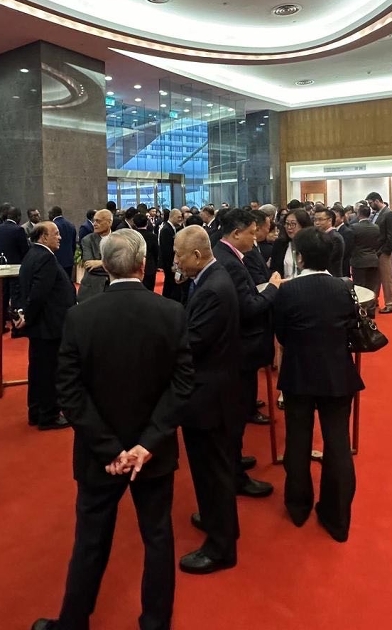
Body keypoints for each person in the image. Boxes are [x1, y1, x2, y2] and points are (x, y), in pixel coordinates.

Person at [32, 230, 193, 630]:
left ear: (103, 267)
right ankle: (155, 622)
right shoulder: (171, 312)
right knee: (158, 537)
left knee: (90, 540)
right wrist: (147, 444)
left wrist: (108, 449)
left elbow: (68, 391)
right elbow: (183, 385)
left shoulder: (80, 316)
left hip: (97, 454)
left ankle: (73, 622)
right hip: (153, 452)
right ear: (143, 265)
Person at [273, 227, 364, 542]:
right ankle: (337, 516)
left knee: (297, 441)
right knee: (338, 443)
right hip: (337, 373)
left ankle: (298, 506)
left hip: (298, 373)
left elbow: (281, 334)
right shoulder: (345, 288)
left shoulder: (287, 291)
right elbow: (351, 328)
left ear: (299, 257)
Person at [174, 226, 243, 575]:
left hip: (209, 395)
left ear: (197, 256)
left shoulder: (213, 289)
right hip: (213, 389)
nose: (176, 261)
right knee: (209, 469)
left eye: (179, 255)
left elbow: (193, 342)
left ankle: (221, 547)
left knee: (212, 470)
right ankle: (219, 521)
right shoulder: (209, 279)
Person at [213, 209, 279, 494]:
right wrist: (272, 289)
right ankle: (235, 475)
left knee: (236, 414)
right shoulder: (230, 262)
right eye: (251, 233)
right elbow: (248, 307)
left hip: (236, 347)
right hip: (238, 348)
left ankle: (236, 461)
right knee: (235, 417)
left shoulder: (226, 254)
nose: (255, 238)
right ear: (236, 233)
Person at [16, 221, 75, 430]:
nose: (60, 237)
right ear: (43, 237)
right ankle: (49, 415)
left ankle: (36, 411)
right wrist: (28, 316)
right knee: (49, 372)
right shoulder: (45, 258)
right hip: (49, 326)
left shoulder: (32, 255)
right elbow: (38, 294)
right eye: (56, 234)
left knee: (38, 370)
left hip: (42, 325)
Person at [365, 192, 392, 313]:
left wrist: (386, 251)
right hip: (375, 250)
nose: (370, 206)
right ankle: (374, 300)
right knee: (375, 278)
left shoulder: (388, 214)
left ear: (377, 201)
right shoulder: (376, 214)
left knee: (387, 278)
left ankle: (390, 304)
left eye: (370, 203)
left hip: (384, 251)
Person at [77, 209, 113, 303]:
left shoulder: (118, 239)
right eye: (94, 221)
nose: (94, 224)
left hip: (113, 289)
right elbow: (89, 266)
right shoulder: (87, 240)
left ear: (109, 222)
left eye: (98, 221)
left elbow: (123, 265)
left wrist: (101, 262)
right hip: (91, 289)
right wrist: (112, 266)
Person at [271, 208, 313, 278]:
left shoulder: (312, 245)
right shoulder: (279, 244)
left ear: (303, 226)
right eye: (287, 224)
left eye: (293, 224)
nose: (289, 227)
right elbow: (274, 269)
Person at [158, 207, 185, 300]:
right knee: (169, 283)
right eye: (178, 217)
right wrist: (172, 265)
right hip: (169, 263)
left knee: (170, 284)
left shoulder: (172, 228)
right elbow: (167, 250)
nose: (180, 219)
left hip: (171, 263)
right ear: (172, 216)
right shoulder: (166, 229)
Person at [312, 206, 345, 278]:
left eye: (320, 220)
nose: (317, 223)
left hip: (332, 276)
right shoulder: (319, 235)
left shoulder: (335, 237)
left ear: (330, 220)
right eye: (315, 220)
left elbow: (328, 259)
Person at [49, 206, 78, 282]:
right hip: (69, 260)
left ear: (52, 214)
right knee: (67, 282)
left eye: (49, 213)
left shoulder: (52, 226)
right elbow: (73, 244)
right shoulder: (71, 225)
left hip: (56, 260)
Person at [132, 212, 160, 291]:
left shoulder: (132, 236)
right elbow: (156, 252)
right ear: (147, 223)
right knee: (149, 289)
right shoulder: (152, 236)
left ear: (134, 223)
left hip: (135, 266)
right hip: (149, 266)